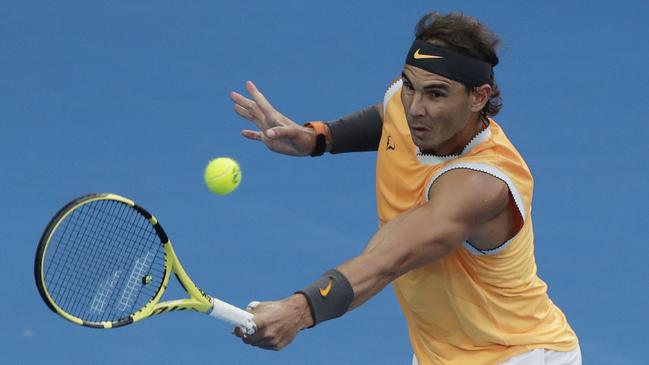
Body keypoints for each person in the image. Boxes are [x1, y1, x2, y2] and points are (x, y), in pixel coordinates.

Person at [229, 12, 581, 365]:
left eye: (436, 94)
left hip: (518, 355)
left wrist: (299, 309)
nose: (415, 108)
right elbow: (388, 116)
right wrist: (320, 137)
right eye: (410, 85)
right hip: (440, 355)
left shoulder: (481, 182)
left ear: (478, 97)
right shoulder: (407, 103)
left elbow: (388, 259)